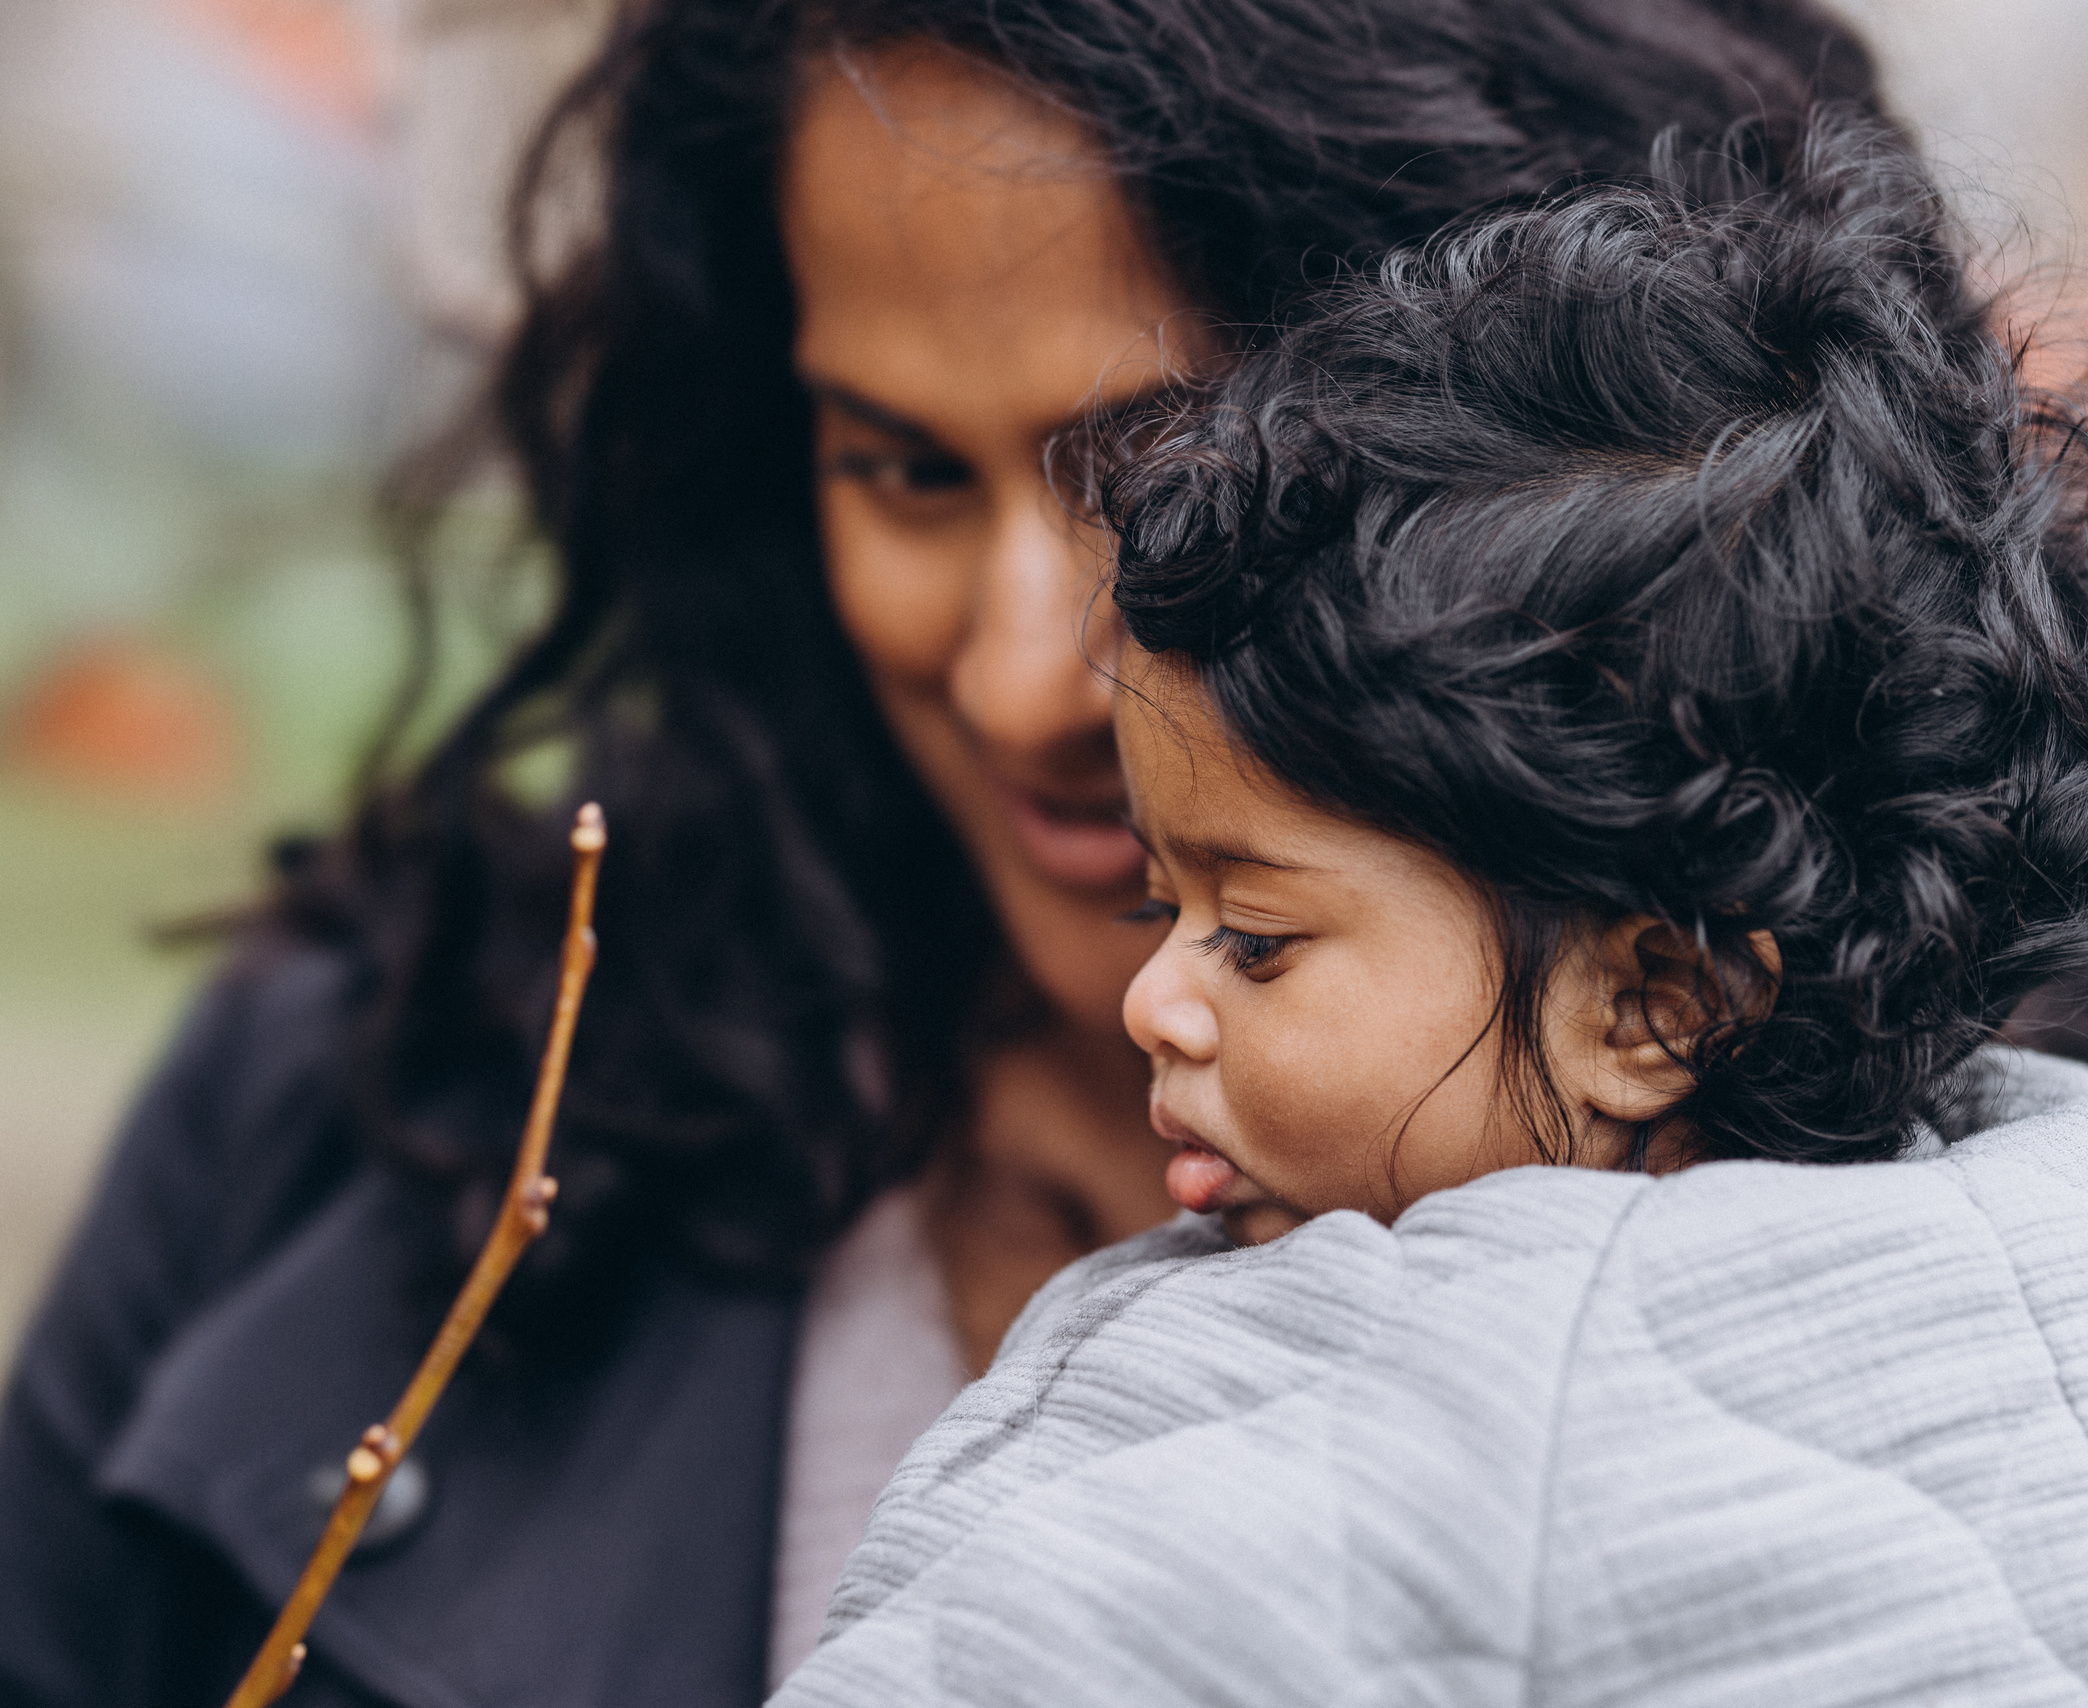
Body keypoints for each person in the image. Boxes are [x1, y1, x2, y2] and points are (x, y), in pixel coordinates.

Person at [0, 5, 1894, 1705]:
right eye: (899, 468)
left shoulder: (1969, 1241)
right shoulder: (382, 1090)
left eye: (1169, 480)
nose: (1025, 674)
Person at [774, 115, 2088, 1705]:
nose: (1155, 1003)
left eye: (1254, 941)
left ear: (1655, 1002)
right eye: (1158, 908)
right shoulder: (2024, 1227)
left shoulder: (1390, 1407)